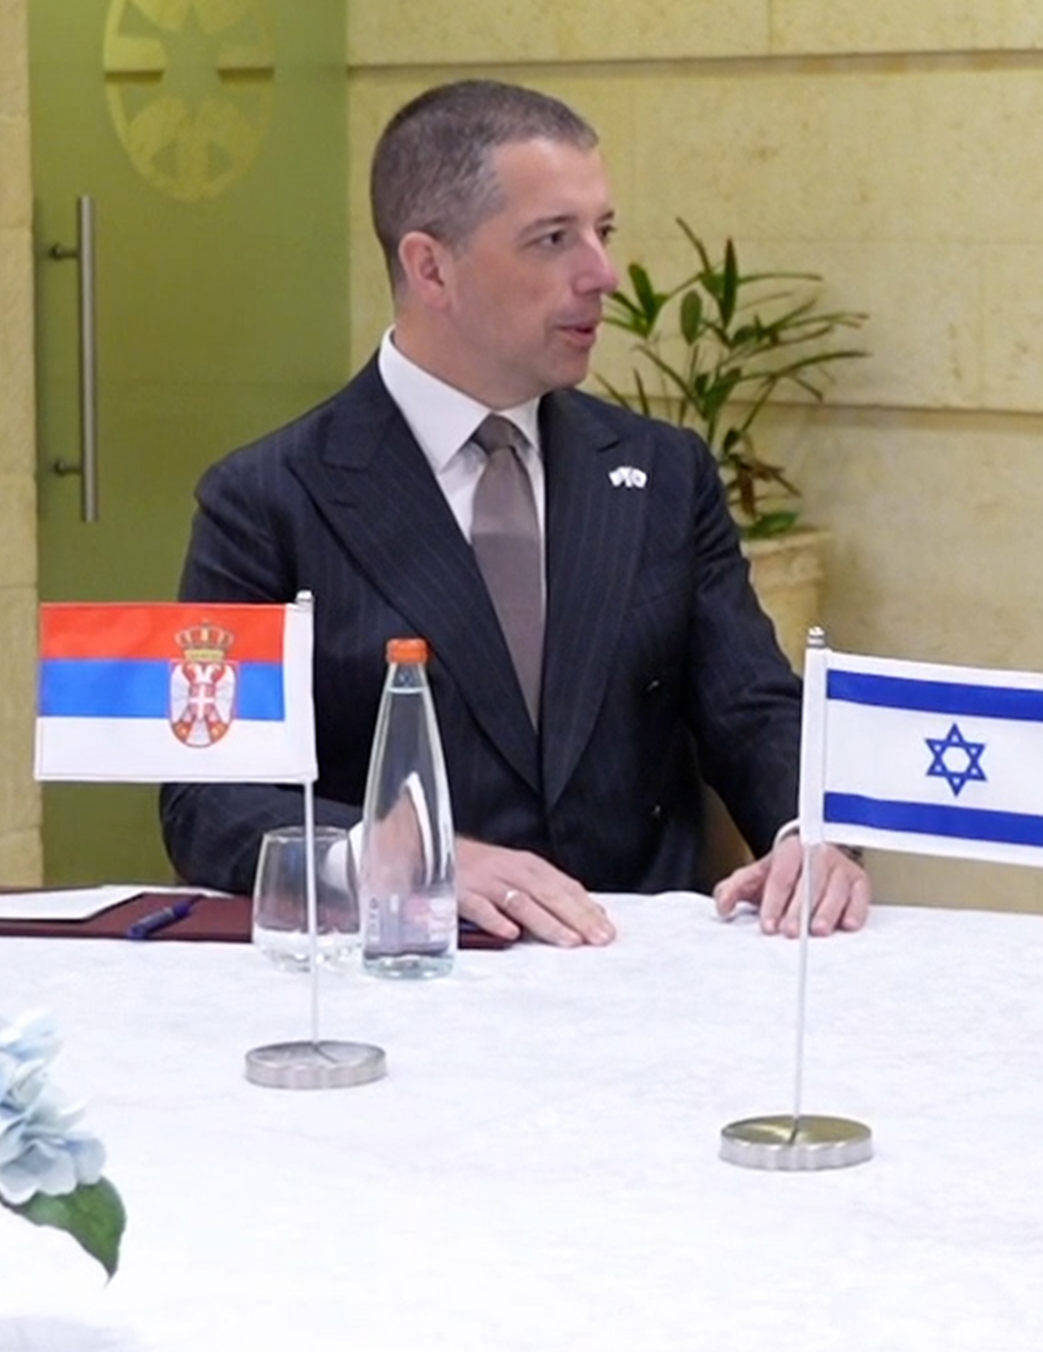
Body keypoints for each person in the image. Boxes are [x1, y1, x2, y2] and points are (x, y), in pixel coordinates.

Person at [160, 79, 869, 941]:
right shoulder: (269, 499)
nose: (603, 275)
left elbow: (753, 708)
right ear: (431, 268)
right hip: (407, 972)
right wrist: (401, 857)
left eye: (604, 232)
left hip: (638, 966)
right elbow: (208, 800)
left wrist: (808, 834)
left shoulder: (662, 472)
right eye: (553, 239)